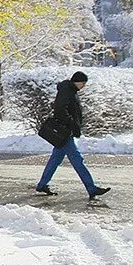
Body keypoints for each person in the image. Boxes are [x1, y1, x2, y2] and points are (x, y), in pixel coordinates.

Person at [35, 71, 111, 204]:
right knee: (77, 160)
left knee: (55, 159)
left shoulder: (70, 90)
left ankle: (42, 185)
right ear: (77, 81)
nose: (84, 86)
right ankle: (91, 188)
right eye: (83, 83)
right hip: (65, 131)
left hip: (66, 130)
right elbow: (60, 109)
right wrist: (72, 123)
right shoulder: (67, 90)